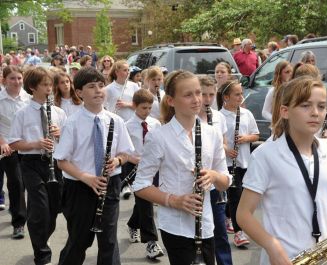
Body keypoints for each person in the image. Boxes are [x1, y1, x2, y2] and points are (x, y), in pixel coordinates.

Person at [236, 76, 327, 265]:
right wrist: (271, 246)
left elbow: (326, 200)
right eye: (305, 105)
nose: (315, 113)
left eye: (321, 106)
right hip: (287, 259)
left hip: (326, 257)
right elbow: (243, 214)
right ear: (285, 111)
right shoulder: (266, 155)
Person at [132, 70, 231, 265]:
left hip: (206, 223)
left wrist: (213, 175)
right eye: (188, 95)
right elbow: (140, 185)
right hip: (175, 226)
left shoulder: (212, 133)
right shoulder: (159, 136)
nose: (196, 99)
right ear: (170, 100)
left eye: (198, 93)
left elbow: (225, 182)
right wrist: (174, 200)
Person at [54, 67, 134, 265]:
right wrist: (86, 177)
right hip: (79, 187)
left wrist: (117, 161)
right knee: (79, 241)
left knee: (108, 241)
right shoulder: (72, 123)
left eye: (101, 85)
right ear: (80, 93)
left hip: (110, 184)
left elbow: (125, 153)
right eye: (91, 87)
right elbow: (61, 161)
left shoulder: (116, 121)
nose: (98, 90)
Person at [9, 67, 67, 265]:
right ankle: (42, 255)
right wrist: (36, 143)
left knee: (53, 209)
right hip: (31, 163)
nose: (49, 88)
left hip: (54, 163)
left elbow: (69, 143)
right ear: (33, 87)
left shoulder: (59, 112)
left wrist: (60, 134)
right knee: (40, 209)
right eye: (44, 85)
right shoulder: (22, 113)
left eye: (51, 84)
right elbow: (14, 143)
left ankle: (42, 237)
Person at [217, 80, 260, 247]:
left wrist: (244, 139)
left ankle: (229, 217)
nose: (241, 97)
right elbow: (215, 139)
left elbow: (255, 135)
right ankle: (239, 232)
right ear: (226, 97)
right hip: (226, 163)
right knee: (236, 197)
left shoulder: (246, 114)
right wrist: (226, 149)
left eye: (241, 93)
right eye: (237, 94)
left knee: (237, 196)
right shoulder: (219, 116)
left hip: (243, 161)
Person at [124, 88, 164, 259]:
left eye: (149, 108)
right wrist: (135, 160)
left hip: (153, 168)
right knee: (146, 204)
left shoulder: (155, 124)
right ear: (134, 106)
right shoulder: (126, 125)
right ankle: (151, 243)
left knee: (144, 201)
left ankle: (133, 224)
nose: (147, 111)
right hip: (134, 168)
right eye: (143, 108)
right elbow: (124, 151)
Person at [198, 76, 233, 265]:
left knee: (220, 230)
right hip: (199, 182)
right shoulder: (191, 117)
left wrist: (221, 149)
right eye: (203, 94)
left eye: (211, 94)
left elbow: (225, 142)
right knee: (203, 232)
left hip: (216, 179)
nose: (207, 99)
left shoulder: (218, 117)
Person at [0, 65, 28, 239]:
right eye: (12, 78)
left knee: (24, 183)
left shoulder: (29, 99)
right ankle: (19, 223)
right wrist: (2, 142)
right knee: (16, 182)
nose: (16, 82)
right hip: (8, 147)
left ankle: (16, 207)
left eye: (19, 78)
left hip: (27, 146)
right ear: (4, 80)